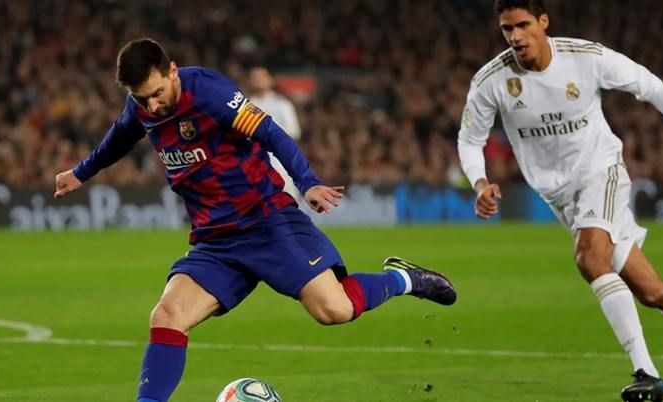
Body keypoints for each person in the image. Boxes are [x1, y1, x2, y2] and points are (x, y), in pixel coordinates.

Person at [54, 38, 456, 402]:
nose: (152, 106)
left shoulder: (209, 93)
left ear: (172, 70)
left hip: (267, 220)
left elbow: (270, 133)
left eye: (157, 94)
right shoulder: (142, 109)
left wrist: (308, 183)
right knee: (167, 315)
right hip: (216, 240)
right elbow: (119, 137)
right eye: (142, 99)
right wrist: (81, 173)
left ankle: (405, 279)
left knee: (333, 309)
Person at [457, 1, 663, 401]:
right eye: (507, 29)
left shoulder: (585, 58)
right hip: (560, 196)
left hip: (600, 171)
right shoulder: (492, 80)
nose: (515, 36)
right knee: (653, 292)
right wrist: (480, 182)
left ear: (543, 22)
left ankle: (648, 374)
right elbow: (470, 140)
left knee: (589, 258)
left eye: (522, 25)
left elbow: (650, 85)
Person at [248, 66, 302, 201]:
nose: (258, 80)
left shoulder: (282, 104)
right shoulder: (247, 106)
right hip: (256, 160)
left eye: (261, 77)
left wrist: (271, 136)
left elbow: (294, 131)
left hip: (280, 158)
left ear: (270, 80)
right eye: (255, 77)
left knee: (288, 197)